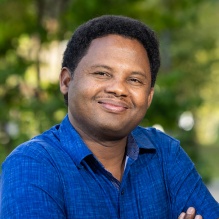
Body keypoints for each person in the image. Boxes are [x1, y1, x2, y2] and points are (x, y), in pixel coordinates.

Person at [0, 15, 218, 219]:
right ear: (67, 81)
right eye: (102, 73)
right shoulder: (32, 164)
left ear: (149, 96)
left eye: (134, 80)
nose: (118, 89)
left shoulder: (166, 154)